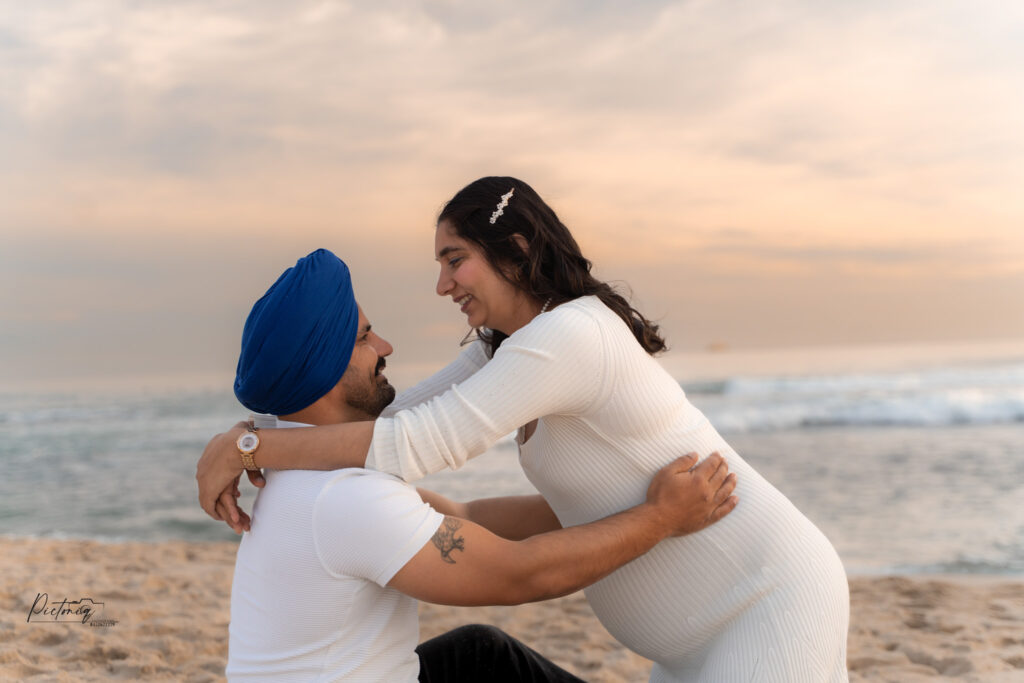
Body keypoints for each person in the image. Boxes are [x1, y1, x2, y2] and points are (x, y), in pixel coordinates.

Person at [199, 178, 850, 682]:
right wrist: (255, 434)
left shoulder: (568, 336)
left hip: (762, 595)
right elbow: (393, 424)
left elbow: (414, 442)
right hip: (694, 628)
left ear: (513, 250)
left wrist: (252, 444)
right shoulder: (503, 348)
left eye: (455, 260)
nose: (441, 283)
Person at [221, 248, 737, 682]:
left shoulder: (300, 468)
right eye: (364, 338)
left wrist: (609, 499)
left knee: (481, 656)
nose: (385, 347)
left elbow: (464, 516)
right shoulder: (343, 498)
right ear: (325, 371)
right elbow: (520, 576)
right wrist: (660, 518)